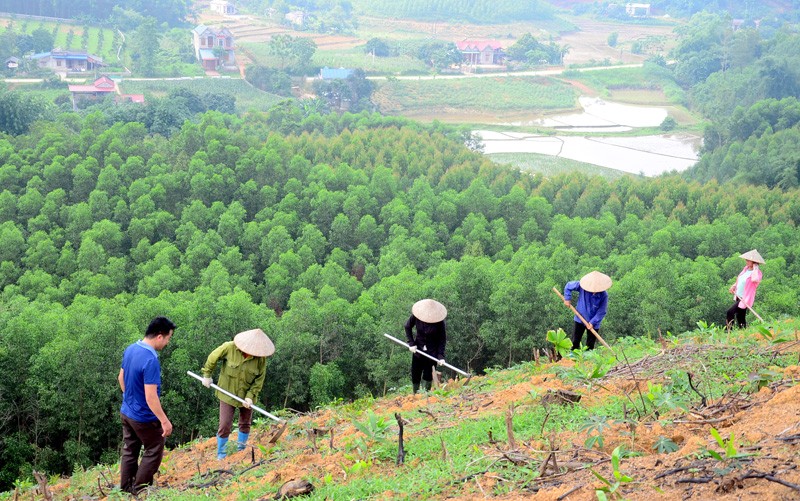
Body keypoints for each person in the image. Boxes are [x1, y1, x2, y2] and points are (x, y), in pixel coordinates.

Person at [118, 316, 176, 494]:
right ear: (160, 336)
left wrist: (131, 400)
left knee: (130, 449)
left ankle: (126, 488)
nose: (167, 342)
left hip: (127, 412)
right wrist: (164, 421)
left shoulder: (131, 349)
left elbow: (121, 378)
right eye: (168, 338)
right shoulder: (151, 359)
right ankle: (140, 490)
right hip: (144, 417)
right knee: (154, 449)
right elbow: (151, 397)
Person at [200, 328, 274, 460]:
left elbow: (259, 380)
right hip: (227, 393)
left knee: (245, 423)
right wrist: (207, 375)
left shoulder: (260, 360)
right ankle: (222, 454)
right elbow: (212, 358)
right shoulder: (229, 347)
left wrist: (250, 396)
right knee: (224, 425)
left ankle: (241, 450)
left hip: (247, 397)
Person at [404, 299, 447, 394]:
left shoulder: (439, 322)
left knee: (427, 375)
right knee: (415, 373)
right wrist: (411, 343)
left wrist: (440, 356)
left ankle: (425, 396)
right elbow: (407, 326)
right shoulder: (417, 316)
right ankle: (415, 394)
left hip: (432, 353)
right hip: (418, 350)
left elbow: (442, 339)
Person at [563, 271, 611, 351]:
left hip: (594, 323)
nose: (594, 290)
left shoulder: (604, 295)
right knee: (575, 341)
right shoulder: (582, 286)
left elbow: (602, 311)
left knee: (590, 345)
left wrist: (592, 322)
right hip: (580, 318)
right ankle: (573, 359)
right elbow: (568, 286)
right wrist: (567, 299)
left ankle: (588, 361)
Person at [726, 249, 764, 329]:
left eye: (748, 260)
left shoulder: (757, 273)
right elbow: (740, 280)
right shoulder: (745, 269)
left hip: (745, 298)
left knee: (730, 312)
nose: (746, 261)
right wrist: (734, 286)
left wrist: (756, 268)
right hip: (738, 295)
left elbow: (755, 280)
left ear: (754, 262)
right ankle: (743, 331)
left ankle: (729, 331)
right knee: (740, 316)